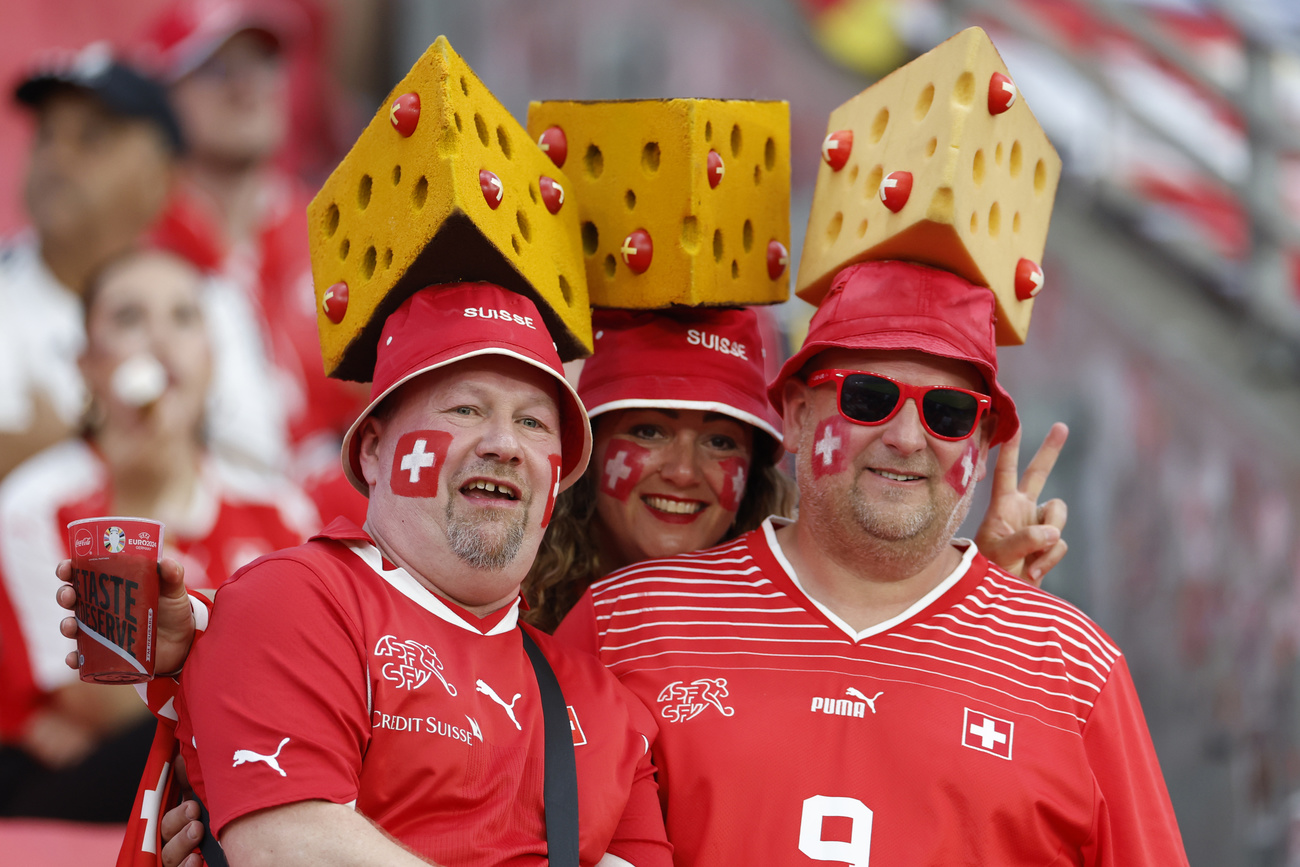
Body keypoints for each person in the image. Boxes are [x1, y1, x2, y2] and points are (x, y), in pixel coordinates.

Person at [556, 260, 1188, 864]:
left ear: (981, 439)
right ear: (800, 414)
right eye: (867, 397)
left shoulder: (1075, 669)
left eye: (947, 413)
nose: (908, 438)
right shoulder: (625, 622)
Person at [63, 283, 674, 866]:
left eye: (535, 424)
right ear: (375, 449)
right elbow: (290, 849)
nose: (505, 444)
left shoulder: (604, 704)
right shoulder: (293, 600)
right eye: (466, 408)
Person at [0, 247, 318, 821]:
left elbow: (310, 681)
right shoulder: (36, 506)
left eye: (183, 317)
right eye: (128, 319)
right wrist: (135, 501)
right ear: (87, 365)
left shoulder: (280, 509)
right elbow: (95, 698)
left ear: (212, 357)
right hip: (76, 782)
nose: (158, 339)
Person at [141, 0, 367, 517]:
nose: (245, 86)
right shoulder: (139, 252)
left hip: (354, 531)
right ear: (162, 97)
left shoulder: (340, 227)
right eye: (215, 68)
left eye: (262, 63)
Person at [0, 43, 184, 481]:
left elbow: (257, 473)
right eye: (46, 134)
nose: (56, 157)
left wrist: (59, 442)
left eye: (91, 137)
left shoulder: (210, 303)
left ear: (158, 178)